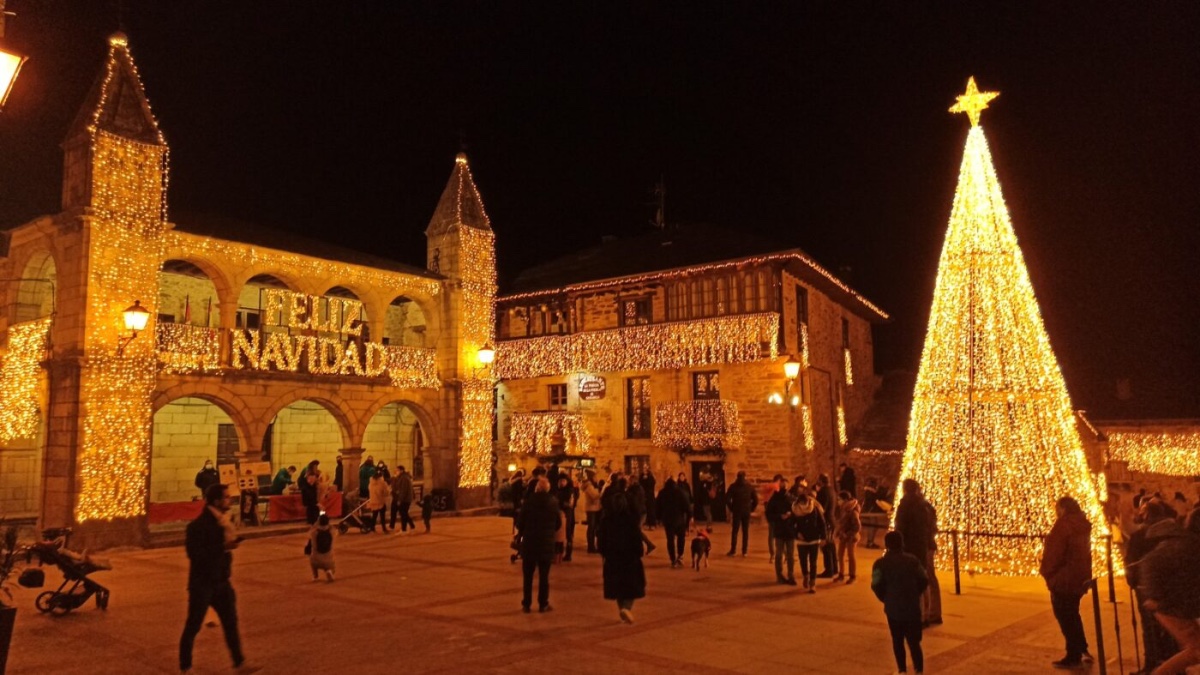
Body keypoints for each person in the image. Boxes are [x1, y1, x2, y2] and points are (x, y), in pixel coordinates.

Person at [179, 484, 259, 673]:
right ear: (216, 501)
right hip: (202, 584)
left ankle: (239, 663)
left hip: (222, 582)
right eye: (225, 497)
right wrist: (224, 546)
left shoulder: (224, 522)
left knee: (231, 622)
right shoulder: (197, 526)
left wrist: (226, 550)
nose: (229, 500)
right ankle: (185, 666)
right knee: (194, 625)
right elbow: (195, 555)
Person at [1140, 508, 1200, 675]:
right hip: (1166, 602)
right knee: (1196, 649)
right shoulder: (1191, 547)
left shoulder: (1188, 543)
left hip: (1170, 600)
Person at [1126, 498, 1183, 672]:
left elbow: (1130, 564)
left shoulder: (1139, 536)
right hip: (1171, 588)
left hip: (1147, 589)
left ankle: (1153, 663)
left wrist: (1134, 583)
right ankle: (1175, 665)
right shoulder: (1173, 532)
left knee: (1149, 628)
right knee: (1173, 629)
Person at [1039, 496, 1094, 670]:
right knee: (1073, 614)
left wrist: (1048, 573)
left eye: (1057, 508)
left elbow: (1054, 553)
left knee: (1064, 616)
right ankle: (1081, 647)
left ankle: (1073, 655)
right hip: (1078, 578)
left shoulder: (1063, 526)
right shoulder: (1082, 525)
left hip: (1063, 579)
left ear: (1063, 508)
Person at [871, 531, 929, 675]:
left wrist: (886, 598)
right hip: (912, 607)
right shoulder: (912, 561)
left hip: (893, 608)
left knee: (897, 640)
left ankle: (902, 670)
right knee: (914, 642)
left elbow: (876, 584)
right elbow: (924, 579)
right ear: (902, 543)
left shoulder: (880, 563)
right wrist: (915, 593)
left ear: (887, 545)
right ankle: (918, 670)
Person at [598, 480, 646, 624]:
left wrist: (604, 554)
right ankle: (626, 608)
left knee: (618, 587)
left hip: (613, 559)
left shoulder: (606, 521)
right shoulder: (630, 521)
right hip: (629, 559)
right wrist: (639, 552)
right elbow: (636, 540)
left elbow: (601, 541)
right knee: (632, 586)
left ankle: (622, 609)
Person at [895, 479, 941, 626]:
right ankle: (932, 613)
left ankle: (920, 616)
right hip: (927, 546)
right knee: (928, 579)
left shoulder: (906, 505)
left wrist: (898, 547)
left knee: (916, 581)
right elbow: (933, 526)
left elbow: (900, 528)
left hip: (913, 547)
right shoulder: (925, 505)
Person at [516, 477, 561, 613]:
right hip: (546, 544)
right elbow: (558, 524)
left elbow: (520, 522)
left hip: (530, 543)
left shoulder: (529, 502)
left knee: (528, 576)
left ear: (537, 488)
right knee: (544, 576)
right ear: (548, 489)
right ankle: (543, 603)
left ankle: (526, 604)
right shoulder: (553, 503)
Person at [792, 489, 826, 592]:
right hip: (801, 540)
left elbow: (822, 523)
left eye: (805, 503)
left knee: (813, 561)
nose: (804, 506)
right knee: (803, 561)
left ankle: (812, 583)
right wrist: (796, 533)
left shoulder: (815, 509)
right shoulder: (795, 510)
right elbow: (791, 525)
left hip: (814, 539)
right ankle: (805, 575)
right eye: (802, 504)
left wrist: (823, 537)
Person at [765, 475, 796, 585]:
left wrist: (790, 515)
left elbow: (797, 512)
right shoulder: (774, 499)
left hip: (789, 529)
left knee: (790, 555)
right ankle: (780, 575)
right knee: (779, 554)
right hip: (779, 529)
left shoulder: (792, 499)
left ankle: (791, 574)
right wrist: (780, 516)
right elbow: (769, 514)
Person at [656, 476, 690, 568]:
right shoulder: (680, 492)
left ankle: (673, 559)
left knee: (670, 540)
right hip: (679, 519)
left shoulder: (662, 493)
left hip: (668, 520)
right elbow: (687, 506)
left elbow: (658, 506)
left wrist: (658, 518)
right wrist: (689, 518)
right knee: (681, 538)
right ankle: (680, 556)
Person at [725, 471, 757, 556]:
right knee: (745, 531)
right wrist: (751, 508)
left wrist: (732, 508)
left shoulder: (733, 486)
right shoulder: (749, 487)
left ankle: (733, 550)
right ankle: (744, 551)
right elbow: (755, 499)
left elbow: (727, 499)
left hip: (737, 510)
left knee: (735, 531)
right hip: (746, 510)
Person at [834, 490, 861, 583]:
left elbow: (857, 526)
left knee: (851, 555)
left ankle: (852, 576)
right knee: (840, 554)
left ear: (845, 500)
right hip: (843, 535)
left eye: (839, 499)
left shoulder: (852, 510)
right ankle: (841, 574)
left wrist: (848, 534)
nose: (838, 501)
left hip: (851, 537)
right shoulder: (844, 508)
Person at [815, 474, 838, 578]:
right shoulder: (832, 490)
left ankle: (829, 570)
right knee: (831, 545)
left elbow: (820, 508)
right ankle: (834, 568)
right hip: (832, 520)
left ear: (821, 481)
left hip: (826, 521)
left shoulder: (823, 492)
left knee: (826, 546)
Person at [556, 473, 579, 561]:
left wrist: (559, 503)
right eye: (560, 481)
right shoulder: (558, 490)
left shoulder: (570, 491)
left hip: (567, 515)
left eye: (563, 481)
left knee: (568, 535)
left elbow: (570, 504)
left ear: (567, 482)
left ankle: (568, 554)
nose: (561, 483)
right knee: (560, 535)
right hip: (560, 515)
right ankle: (559, 553)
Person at [307, 513, 336, 582]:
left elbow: (311, 530)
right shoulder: (332, 532)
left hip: (316, 559)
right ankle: (329, 571)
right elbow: (333, 528)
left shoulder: (314, 532)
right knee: (331, 565)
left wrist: (316, 523)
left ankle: (315, 576)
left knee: (312, 561)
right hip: (328, 559)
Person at [580, 472, 602, 553]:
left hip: (594, 508)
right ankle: (591, 546)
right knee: (591, 528)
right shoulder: (589, 486)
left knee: (592, 528)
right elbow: (594, 496)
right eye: (595, 476)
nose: (596, 478)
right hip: (591, 508)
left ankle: (592, 545)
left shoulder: (592, 485)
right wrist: (601, 493)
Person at [390, 465, 416, 533]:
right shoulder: (401, 477)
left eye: (397, 470)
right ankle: (411, 526)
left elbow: (403, 490)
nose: (396, 472)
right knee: (404, 513)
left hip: (405, 499)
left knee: (403, 514)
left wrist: (400, 500)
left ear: (401, 470)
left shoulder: (404, 478)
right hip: (405, 498)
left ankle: (404, 529)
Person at [298, 460, 321, 525]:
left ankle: (312, 520)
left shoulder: (310, 471)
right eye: (316, 466)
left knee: (311, 507)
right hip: (307, 490)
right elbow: (308, 481)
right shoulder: (308, 471)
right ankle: (312, 520)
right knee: (311, 506)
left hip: (309, 490)